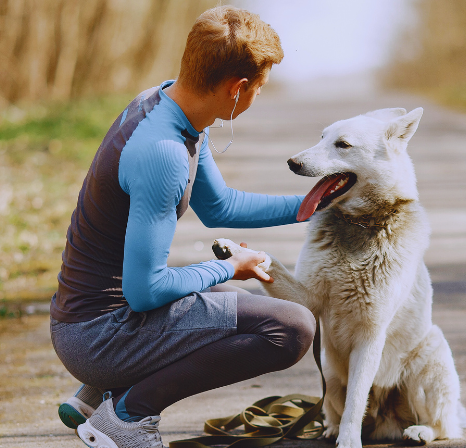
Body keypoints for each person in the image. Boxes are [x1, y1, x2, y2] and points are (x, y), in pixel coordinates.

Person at [47, 6, 315, 448]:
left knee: (231, 303)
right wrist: (232, 266)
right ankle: (128, 415)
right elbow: (146, 291)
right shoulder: (165, 153)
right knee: (290, 328)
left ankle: (94, 397)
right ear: (237, 88)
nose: (258, 97)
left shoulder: (168, 105)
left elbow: (220, 206)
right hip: (96, 336)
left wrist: (312, 205)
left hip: (85, 318)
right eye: (260, 89)